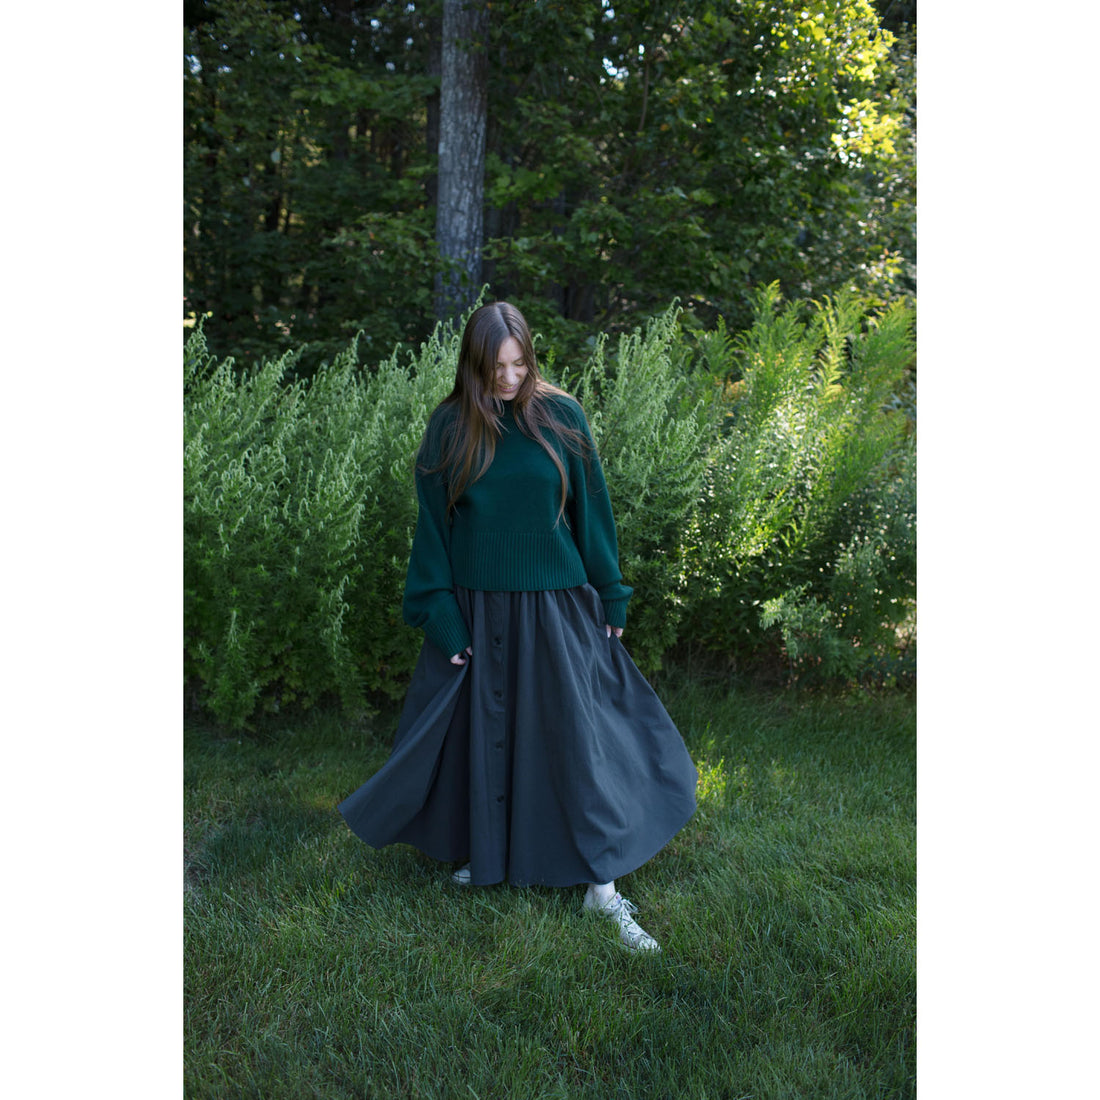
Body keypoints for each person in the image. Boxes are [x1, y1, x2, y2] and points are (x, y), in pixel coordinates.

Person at [338, 301, 697, 952]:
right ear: (473, 365)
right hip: (478, 608)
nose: (509, 378)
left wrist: (611, 594)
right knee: (483, 738)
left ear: (531, 357)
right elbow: (433, 532)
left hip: (556, 607)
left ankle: (603, 890)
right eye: (495, 367)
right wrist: (441, 615)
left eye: (519, 363)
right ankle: (490, 854)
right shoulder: (450, 427)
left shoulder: (562, 417)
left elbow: (593, 513)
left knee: (579, 744)